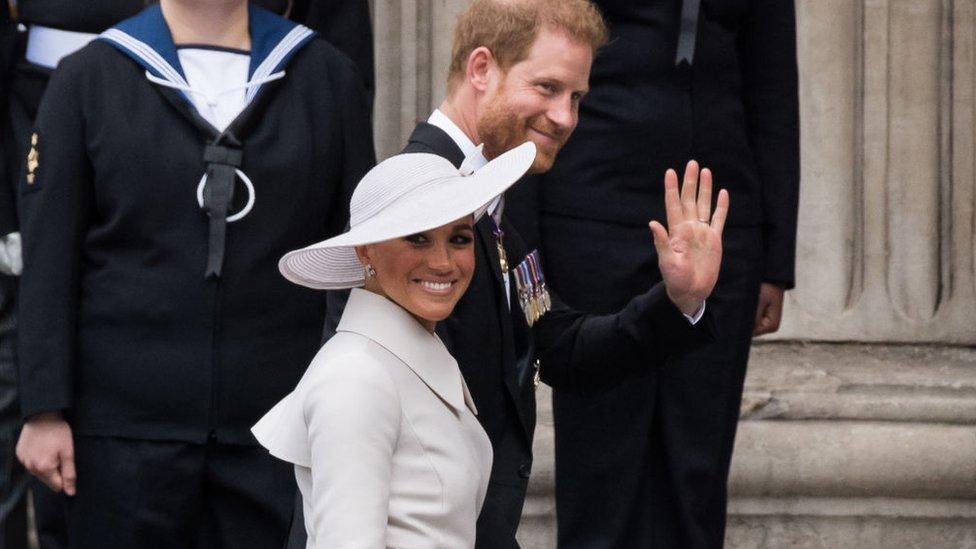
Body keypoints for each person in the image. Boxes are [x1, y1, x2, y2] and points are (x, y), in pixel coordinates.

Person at [317, 1, 731, 546]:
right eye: (547, 88)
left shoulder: (497, 210)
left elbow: (556, 346)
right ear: (481, 69)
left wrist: (680, 299)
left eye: (577, 97)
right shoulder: (413, 206)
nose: (565, 117)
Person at [0, 1, 373, 546]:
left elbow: (350, 256)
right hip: (119, 438)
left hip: (273, 434)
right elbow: (50, 255)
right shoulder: (89, 77)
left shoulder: (324, 77)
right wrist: (43, 409)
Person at [505, 0, 801, 546]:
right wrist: (522, 242)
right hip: (588, 215)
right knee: (601, 465)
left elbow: (773, 88)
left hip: (718, 219)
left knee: (697, 467)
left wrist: (775, 259)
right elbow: (527, 70)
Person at [253, 143, 536, 548]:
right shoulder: (356, 375)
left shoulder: (403, 357)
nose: (443, 262)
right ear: (366, 250)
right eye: (417, 238)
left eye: (459, 238)